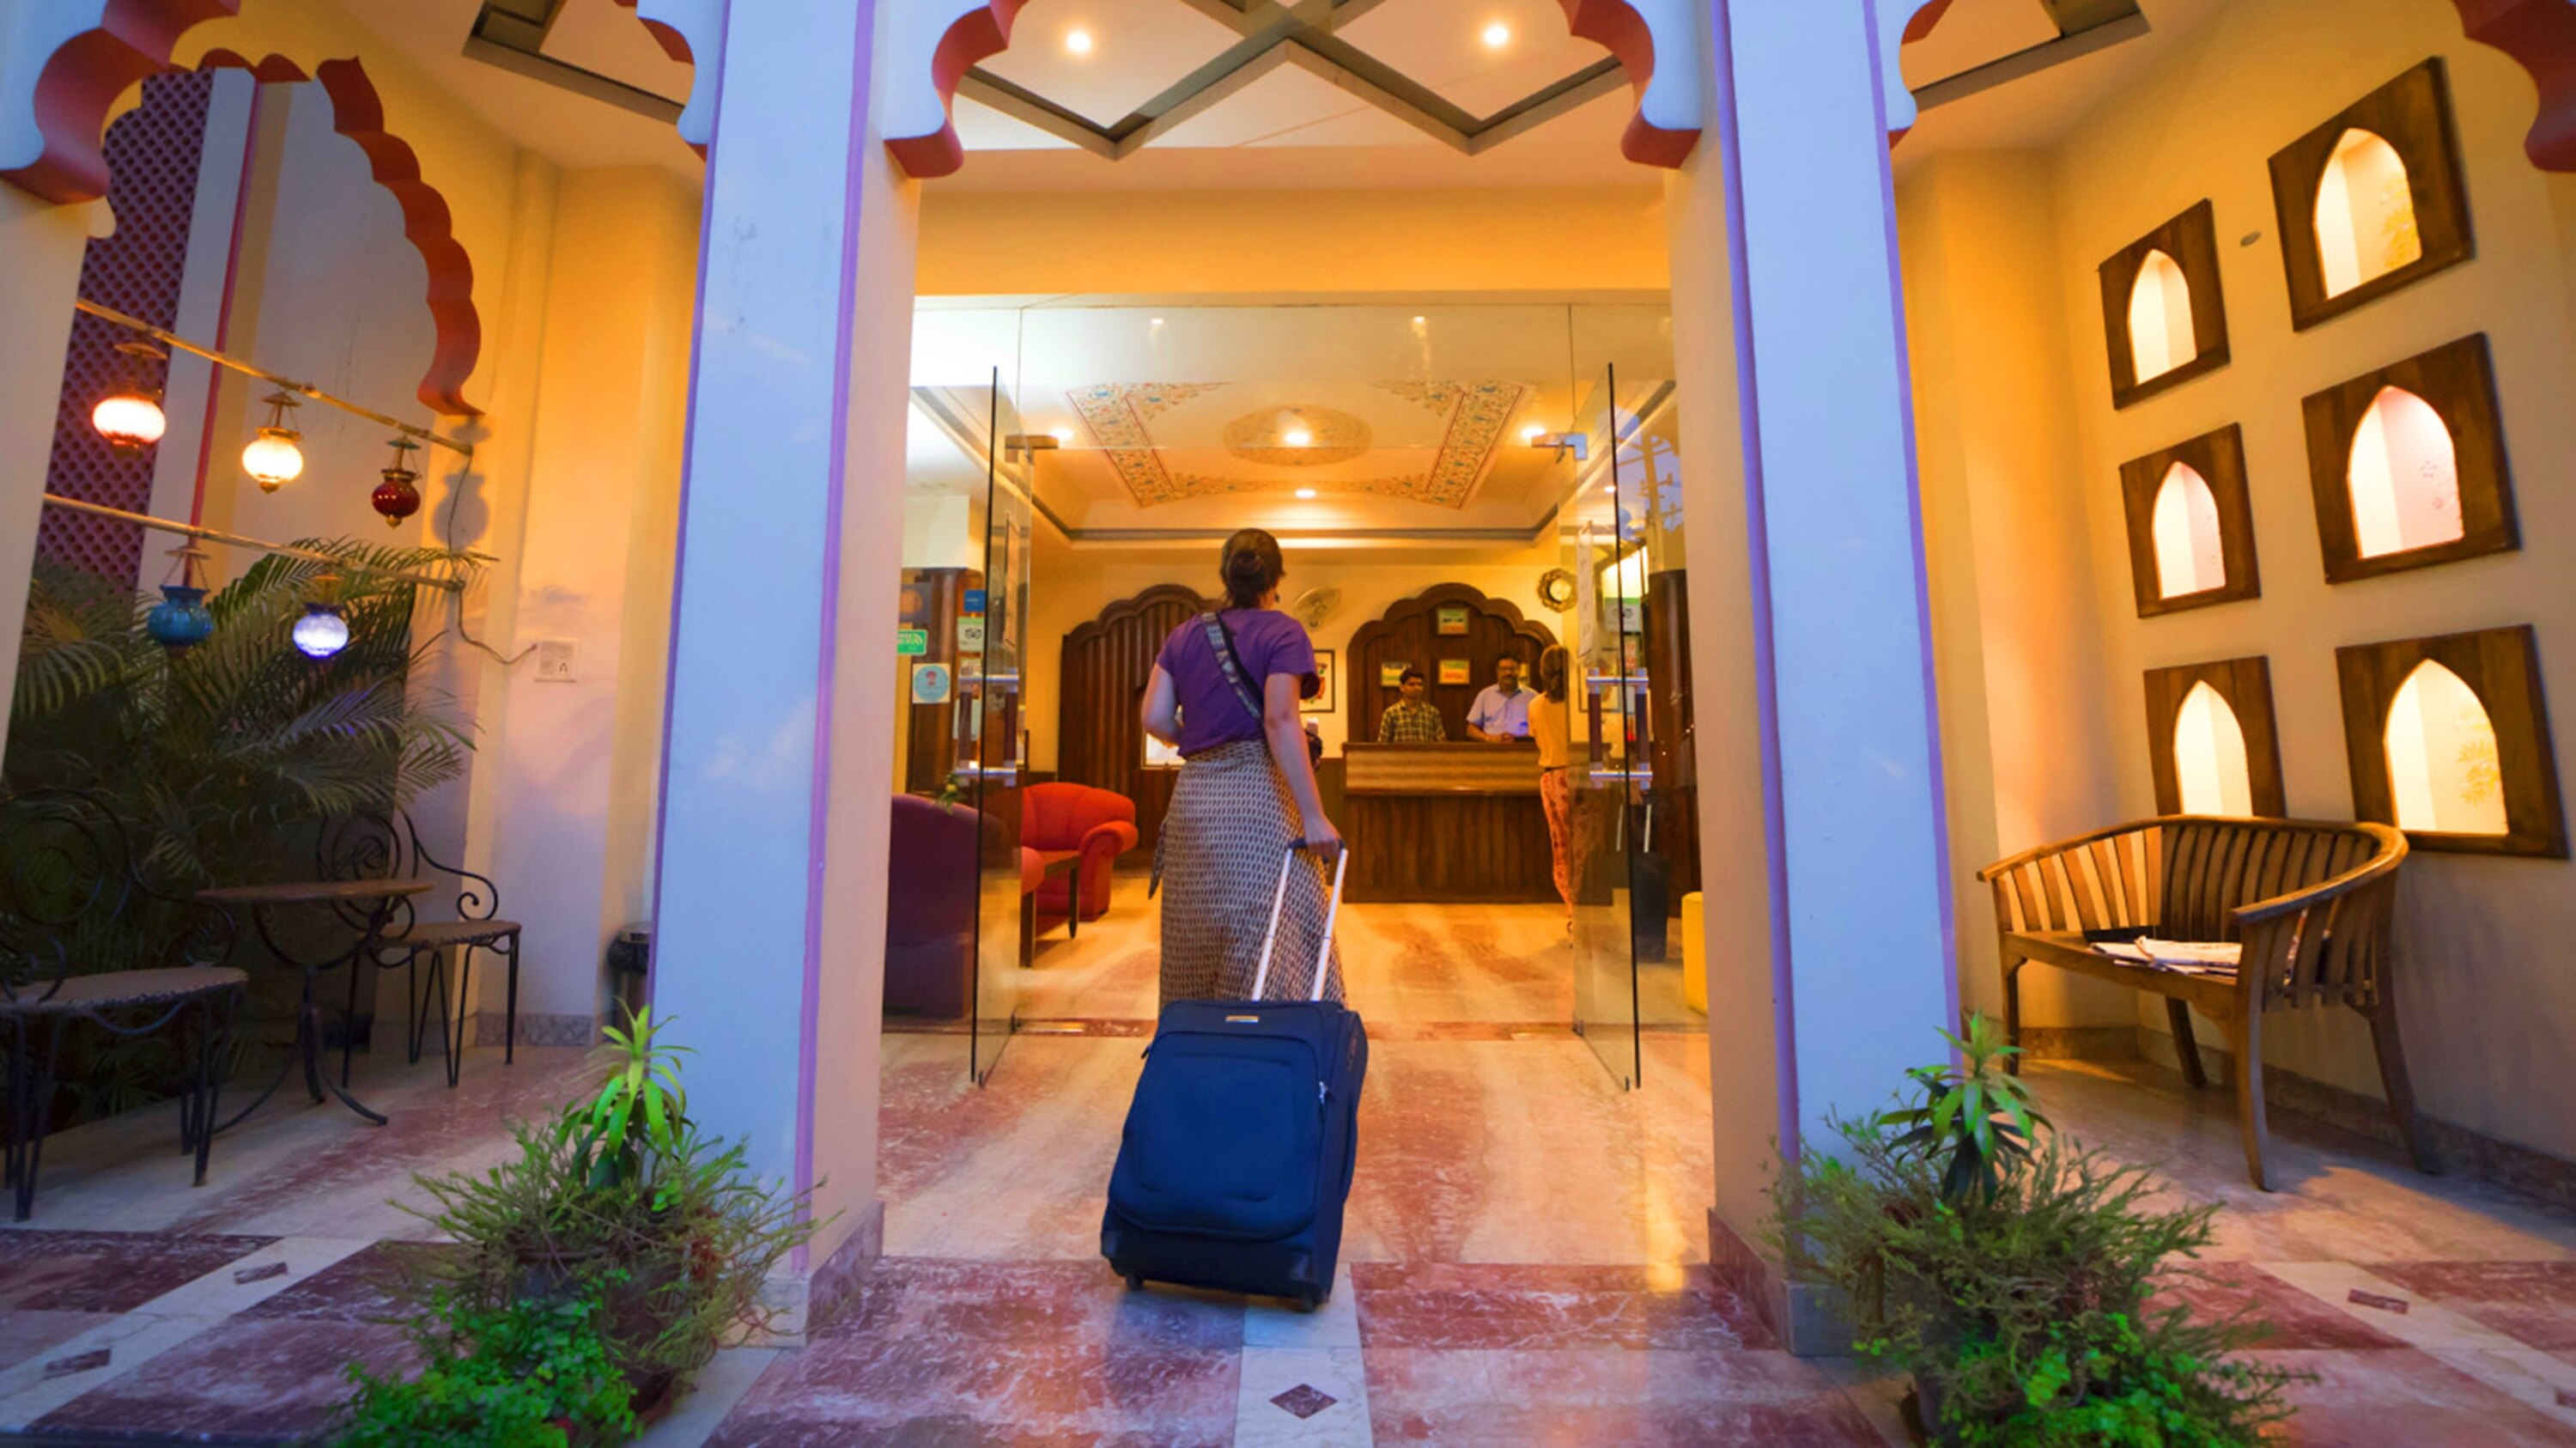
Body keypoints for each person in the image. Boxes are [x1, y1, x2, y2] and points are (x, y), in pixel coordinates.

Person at [1141, 529, 1346, 1008]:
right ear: (1276, 579)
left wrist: (1198, 741)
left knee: (1194, 933)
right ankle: (1262, 1036)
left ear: (1225, 575)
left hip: (1194, 801)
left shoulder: (1184, 634)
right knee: (1269, 928)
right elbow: (1280, 719)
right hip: (1258, 797)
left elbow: (1153, 718)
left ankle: (1197, 1035)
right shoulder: (1283, 631)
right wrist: (1314, 816)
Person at [1530, 646, 1586, 919]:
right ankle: (1586, 905)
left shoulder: (1535, 705)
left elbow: (1536, 738)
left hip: (1552, 779)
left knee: (1561, 846)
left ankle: (1571, 907)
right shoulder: (1580, 703)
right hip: (1581, 776)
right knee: (1585, 845)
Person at [1466, 655, 1534, 743]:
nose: (1508, 673)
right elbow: (1471, 729)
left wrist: (1518, 739)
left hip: (1523, 748)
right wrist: (1488, 738)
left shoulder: (1532, 697)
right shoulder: (1485, 695)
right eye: (1503, 669)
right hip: (1491, 748)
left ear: (1519, 670)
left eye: (1512, 669)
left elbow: (1541, 728)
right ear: (1497, 671)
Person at [1376, 667, 1447, 743]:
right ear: (1402, 688)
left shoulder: (1432, 712)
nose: (1416, 688)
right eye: (1411, 684)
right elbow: (1382, 744)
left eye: (1419, 684)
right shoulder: (1391, 713)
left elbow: (1442, 742)